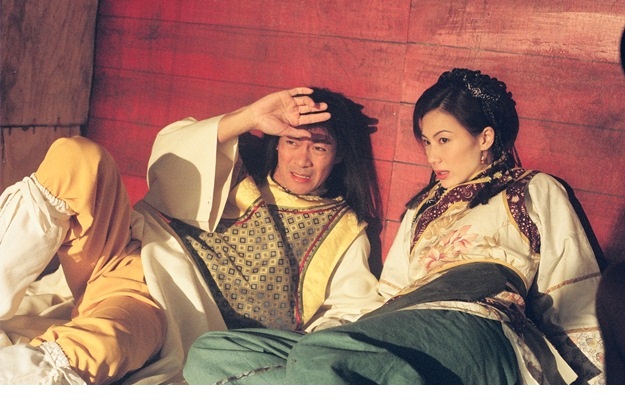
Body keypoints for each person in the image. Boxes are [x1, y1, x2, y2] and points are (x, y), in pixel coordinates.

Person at [182, 69, 605, 385]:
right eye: (426, 142)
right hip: (397, 327)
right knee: (211, 352)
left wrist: (598, 383)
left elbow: (576, 290)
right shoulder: (421, 208)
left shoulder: (531, 188)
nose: (432, 156)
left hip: (475, 320)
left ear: (485, 138)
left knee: (323, 355)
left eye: (444, 140)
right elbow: (386, 296)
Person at [0, 86, 385, 384]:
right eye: (292, 142)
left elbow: (350, 312)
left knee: (103, 344)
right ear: (278, 143)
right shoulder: (237, 169)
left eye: (319, 147)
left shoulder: (342, 229)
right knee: (77, 156)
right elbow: (170, 156)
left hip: (154, 300)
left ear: (339, 155)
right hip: (123, 245)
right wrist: (251, 116)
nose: (302, 159)